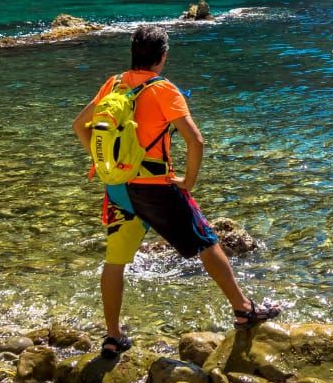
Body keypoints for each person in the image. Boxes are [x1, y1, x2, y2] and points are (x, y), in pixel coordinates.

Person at [72, 24, 278, 356]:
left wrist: (106, 165)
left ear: (133, 52)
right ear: (162, 56)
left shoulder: (113, 84)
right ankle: (243, 310)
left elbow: (79, 126)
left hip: (118, 189)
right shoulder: (163, 89)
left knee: (115, 260)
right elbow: (195, 140)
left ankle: (113, 337)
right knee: (208, 242)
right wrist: (188, 181)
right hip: (156, 187)